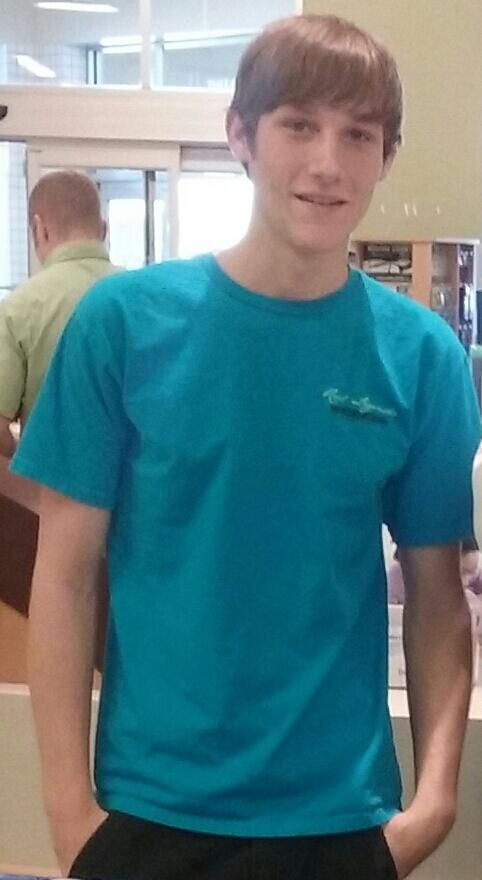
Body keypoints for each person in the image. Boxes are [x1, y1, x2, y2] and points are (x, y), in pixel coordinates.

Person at [10, 14, 481, 880]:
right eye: (298, 124)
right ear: (241, 135)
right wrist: (69, 813)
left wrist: (435, 802)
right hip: (148, 813)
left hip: (341, 818)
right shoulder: (122, 327)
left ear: (386, 155)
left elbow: (438, 596)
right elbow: (65, 577)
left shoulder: (422, 358)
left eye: (359, 135)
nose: (327, 162)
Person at [0, 169, 117, 459]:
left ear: (39, 230)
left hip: (46, 482)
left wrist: (24, 456)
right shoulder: (148, 300)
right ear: (103, 230)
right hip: (138, 485)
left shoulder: (17, 309)